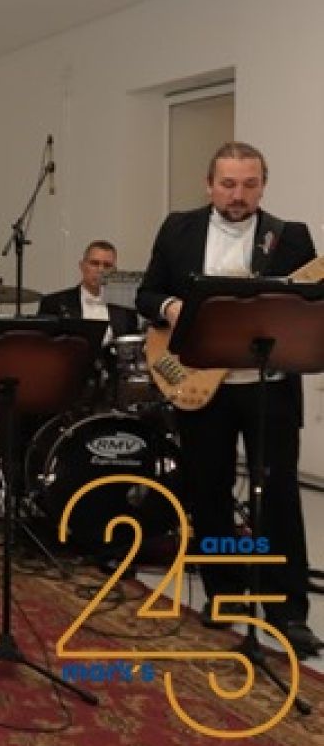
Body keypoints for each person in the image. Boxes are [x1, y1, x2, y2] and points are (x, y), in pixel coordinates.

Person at [135, 142, 321, 658]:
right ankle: (225, 593)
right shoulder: (178, 229)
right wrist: (171, 306)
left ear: (263, 185)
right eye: (228, 184)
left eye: (249, 185)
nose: (238, 195)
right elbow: (146, 294)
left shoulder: (290, 236)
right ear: (209, 184)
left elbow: (312, 305)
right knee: (209, 492)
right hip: (200, 386)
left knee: (279, 496)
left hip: (269, 385)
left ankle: (288, 612)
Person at [37, 240, 139, 342]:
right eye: (94, 263)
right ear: (82, 266)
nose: (101, 270)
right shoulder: (53, 303)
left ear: (114, 271)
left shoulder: (126, 310)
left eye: (107, 265)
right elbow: (43, 344)